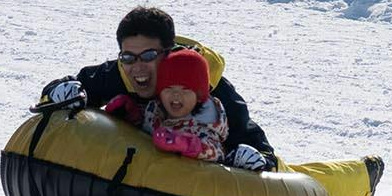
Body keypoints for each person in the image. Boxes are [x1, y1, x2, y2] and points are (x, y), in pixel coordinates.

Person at [35, 6, 383, 196]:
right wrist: (60, 91)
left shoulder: (205, 87)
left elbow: (247, 135)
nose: (137, 68)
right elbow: (72, 84)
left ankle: (360, 179)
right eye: (128, 57)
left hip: (218, 155)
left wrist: (255, 157)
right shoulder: (121, 74)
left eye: (148, 57)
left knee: (295, 176)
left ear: (168, 53)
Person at [104, 48, 269, 171]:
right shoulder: (157, 108)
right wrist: (131, 113)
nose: (176, 95)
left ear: (198, 95)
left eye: (185, 89)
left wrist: (187, 145)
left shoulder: (205, 123)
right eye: (169, 88)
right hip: (149, 174)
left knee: (242, 155)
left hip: (196, 182)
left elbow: (215, 151)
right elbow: (146, 125)